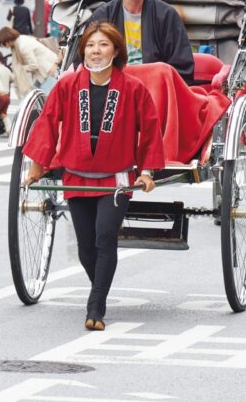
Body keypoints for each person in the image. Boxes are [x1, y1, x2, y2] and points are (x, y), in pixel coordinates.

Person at [23, 22, 165, 330]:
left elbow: (150, 129)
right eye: (90, 45)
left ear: (116, 51)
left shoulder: (132, 87)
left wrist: (148, 171)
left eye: (103, 45)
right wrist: (38, 164)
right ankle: (98, 288)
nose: (96, 51)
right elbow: (48, 122)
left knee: (104, 237)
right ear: (83, 50)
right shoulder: (68, 85)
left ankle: (96, 307)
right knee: (86, 247)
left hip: (117, 179)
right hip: (76, 176)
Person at [89, 0, 194, 84]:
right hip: (115, 86)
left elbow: (182, 64)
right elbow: (87, 58)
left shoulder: (166, 15)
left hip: (156, 87)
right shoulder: (103, 16)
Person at [0, 26, 58, 96]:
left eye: (2, 43)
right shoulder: (20, 39)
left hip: (48, 70)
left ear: (7, 40)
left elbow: (33, 65)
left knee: (48, 97)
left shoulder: (23, 47)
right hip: (45, 70)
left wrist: (21, 69)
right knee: (37, 96)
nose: (3, 46)